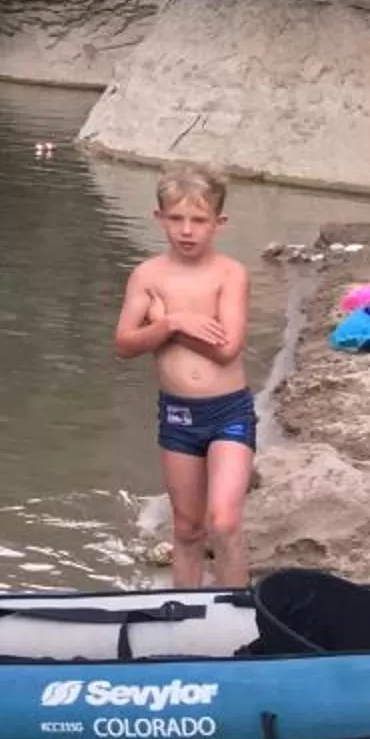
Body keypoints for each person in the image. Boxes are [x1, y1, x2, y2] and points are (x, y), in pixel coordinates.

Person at [112, 164, 254, 588]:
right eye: (176, 219)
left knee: (224, 521)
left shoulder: (230, 274)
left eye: (198, 220)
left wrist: (176, 325)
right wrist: (171, 322)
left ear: (219, 223)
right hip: (177, 416)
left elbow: (227, 349)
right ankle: (185, 614)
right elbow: (124, 344)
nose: (187, 231)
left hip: (229, 410)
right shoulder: (147, 276)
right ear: (159, 219)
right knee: (187, 529)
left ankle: (238, 614)